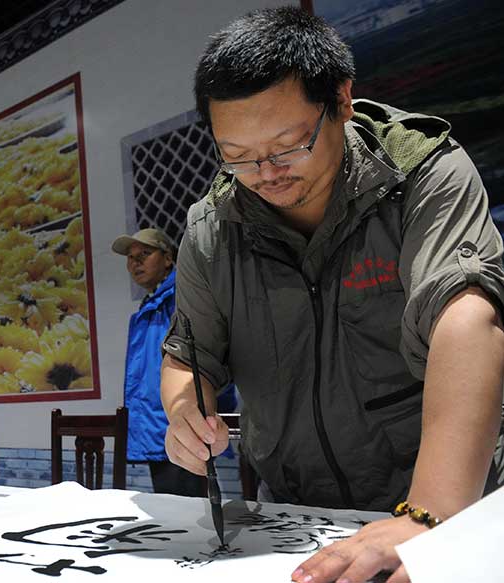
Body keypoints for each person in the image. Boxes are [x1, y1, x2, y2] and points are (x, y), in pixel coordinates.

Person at [160, 7, 504, 583]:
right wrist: (183, 411)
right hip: (299, 515)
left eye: (289, 145)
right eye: (237, 156)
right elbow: (189, 356)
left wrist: (428, 516)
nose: (266, 173)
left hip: (449, 503)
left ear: (341, 101)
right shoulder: (212, 229)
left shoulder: (422, 176)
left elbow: (466, 318)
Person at [112, 228, 237, 496]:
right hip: (157, 427)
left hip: (183, 423)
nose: (136, 263)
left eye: (144, 254)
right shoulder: (150, 305)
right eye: (131, 257)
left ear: (168, 258)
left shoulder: (184, 297)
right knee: (174, 513)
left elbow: (208, 358)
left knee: (192, 514)